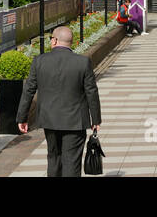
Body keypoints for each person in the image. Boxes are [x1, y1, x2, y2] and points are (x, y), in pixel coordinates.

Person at [15, 24, 102, 177]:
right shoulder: (82, 62)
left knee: (53, 158)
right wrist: (96, 119)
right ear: (71, 42)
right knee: (72, 161)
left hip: (49, 119)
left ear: (54, 40)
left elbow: (28, 90)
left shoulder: (39, 61)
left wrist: (22, 117)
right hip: (75, 121)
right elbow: (91, 93)